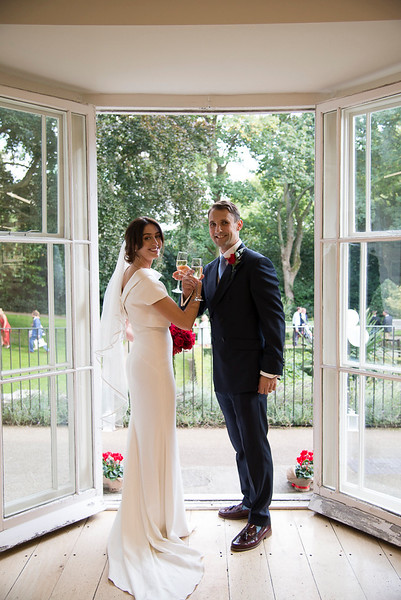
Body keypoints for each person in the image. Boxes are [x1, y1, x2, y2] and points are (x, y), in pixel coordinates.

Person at [98, 217, 204, 599]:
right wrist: (197, 291)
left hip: (144, 361)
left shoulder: (131, 275)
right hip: (153, 370)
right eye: (147, 239)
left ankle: (158, 515)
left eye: (158, 237)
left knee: (150, 439)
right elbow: (185, 320)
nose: (155, 244)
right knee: (156, 438)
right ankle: (154, 523)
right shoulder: (144, 279)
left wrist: (185, 291)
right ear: (133, 244)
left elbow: (155, 317)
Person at [179, 200, 285, 552]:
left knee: (255, 444)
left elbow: (274, 321)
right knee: (240, 445)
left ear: (238, 225)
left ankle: (261, 518)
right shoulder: (210, 269)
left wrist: (270, 369)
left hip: (253, 373)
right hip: (223, 372)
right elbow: (197, 312)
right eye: (212, 224)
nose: (217, 230)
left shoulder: (257, 264)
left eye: (223, 223)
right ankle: (248, 499)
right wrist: (189, 291)